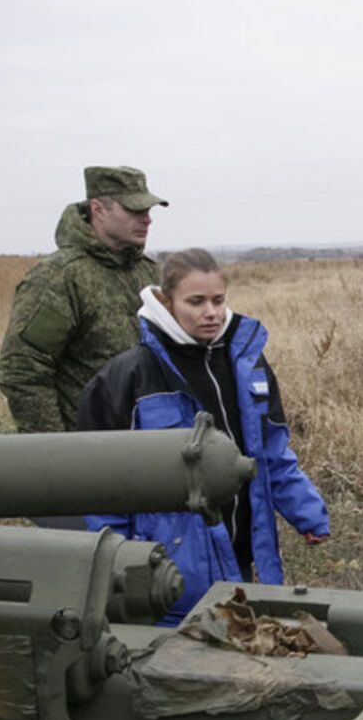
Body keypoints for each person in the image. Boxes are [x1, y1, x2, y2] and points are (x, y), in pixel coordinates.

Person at [77, 249, 330, 625]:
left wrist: (308, 514)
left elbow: (272, 453)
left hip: (243, 554)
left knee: (242, 642)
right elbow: (102, 484)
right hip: (170, 572)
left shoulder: (248, 365)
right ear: (166, 302)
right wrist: (119, 565)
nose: (210, 312)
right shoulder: (127, 377)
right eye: (195, 302)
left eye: (218, 300)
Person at [0, 165, 167, 433]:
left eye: (148, 211)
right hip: (88, 446)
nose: (147, 220)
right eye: (134, 210)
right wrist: (56, 447)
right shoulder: (59, 278)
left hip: (147, 440)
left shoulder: (148, 271)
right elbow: (23, 370)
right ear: (98, 209)